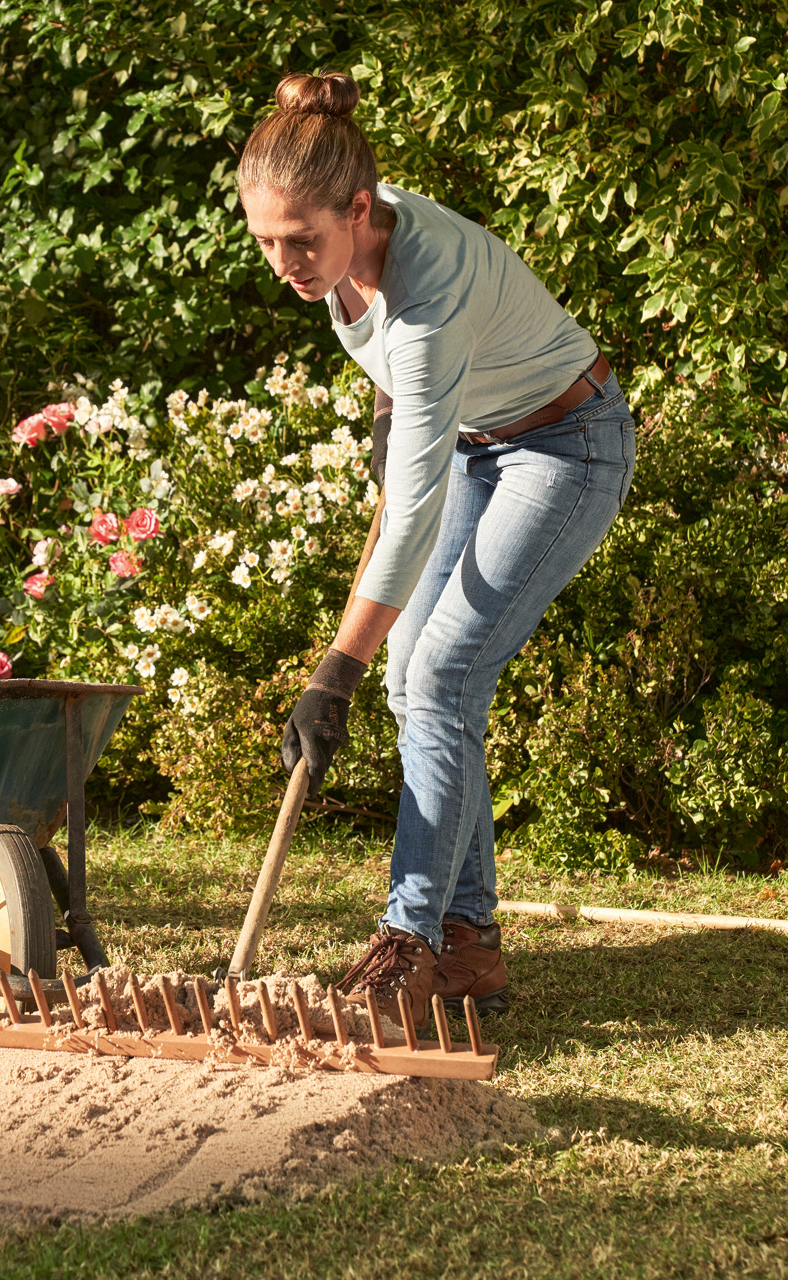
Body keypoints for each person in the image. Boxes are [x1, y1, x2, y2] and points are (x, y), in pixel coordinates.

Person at [240, 70, 636, 1017]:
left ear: (361, 210)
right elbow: (405, 428)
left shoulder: (429, 296)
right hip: (477, 440)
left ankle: (408, 939)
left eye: (302, 242)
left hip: (566, 445)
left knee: (439, 670)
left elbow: (410, 515)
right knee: (414, 671)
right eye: (265, 242)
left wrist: (333, 668)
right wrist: (389, 410)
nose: (285, 262)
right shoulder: (348, 241)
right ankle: (467, 947)